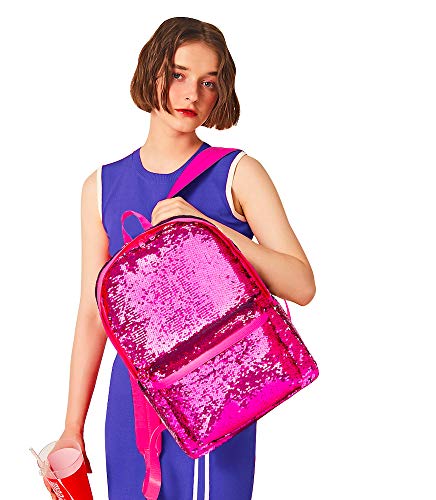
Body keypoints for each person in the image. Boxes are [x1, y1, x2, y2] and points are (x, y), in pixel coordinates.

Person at [44, 16, 316, 500]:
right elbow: (93, 314)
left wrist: (206, 226)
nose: (192, 94)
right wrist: (72, 428)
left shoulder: (237, 173)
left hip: (218, 393)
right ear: (151, 72)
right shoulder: (101, 186)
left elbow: (301, 284)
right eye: (178, 74)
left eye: (208, 82)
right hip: (132, 400)